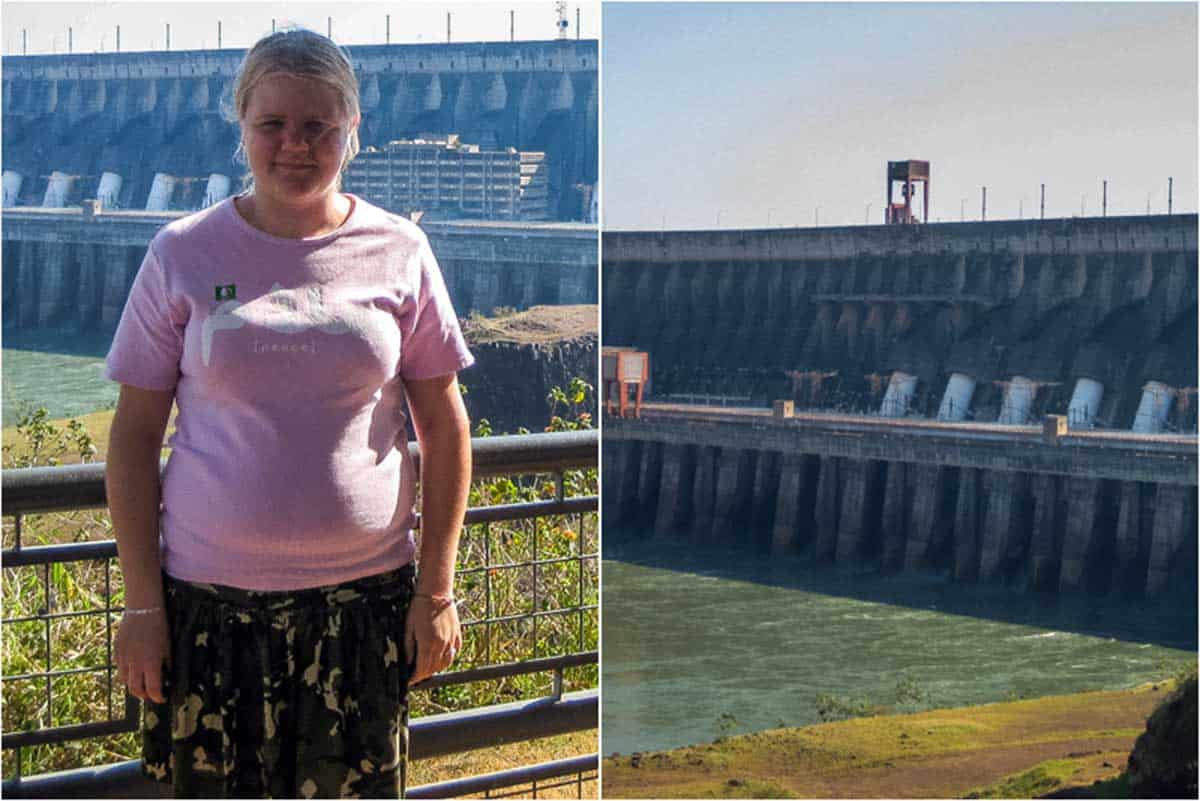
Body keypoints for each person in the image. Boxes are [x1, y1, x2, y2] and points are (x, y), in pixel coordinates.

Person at [104, 28, 474, 799]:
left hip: (363, 607)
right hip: (207, 614)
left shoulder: (400, 250)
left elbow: (444, 425)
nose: (295, 145)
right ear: (241, 126)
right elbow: (135, 437)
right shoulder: (181, 253)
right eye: (273, 124)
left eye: (319, 126)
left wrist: (435, 592)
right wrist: (141, 604)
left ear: (353, 130)